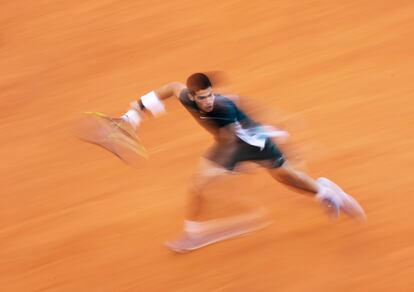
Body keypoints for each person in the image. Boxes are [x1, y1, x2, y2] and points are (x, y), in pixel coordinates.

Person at [119, 72, 366, 253]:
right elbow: (170, 87)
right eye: (202, 98)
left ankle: (330, 193)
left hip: (253, 143)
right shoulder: (184, 95)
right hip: (232, 143)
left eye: (210, 95)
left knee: (287, 179)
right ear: (192, 96)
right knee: (199, 185)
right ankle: (193, 233)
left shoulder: (222, 108)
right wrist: (136, 111)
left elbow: (230, 142)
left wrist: (229, 168)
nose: (208, 101)